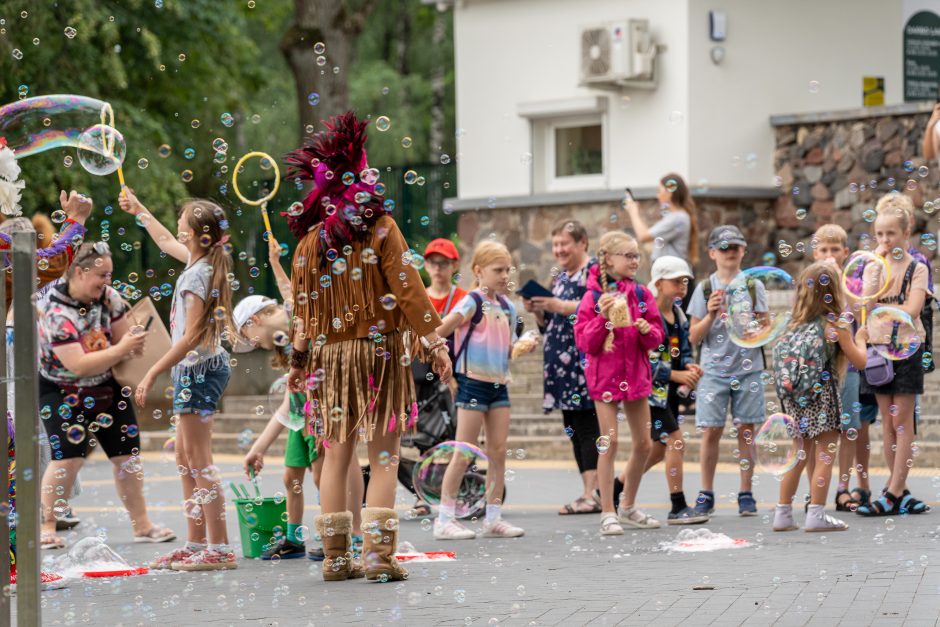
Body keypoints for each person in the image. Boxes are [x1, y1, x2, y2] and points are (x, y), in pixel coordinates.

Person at [284, 111, 451, 583]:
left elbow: (304, 312)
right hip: (381, 352)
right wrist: (433, 341)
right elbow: (409, 289)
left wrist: (298, 361)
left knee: (335, 454)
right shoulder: (381, 228)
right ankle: (378, 555)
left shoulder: (309, 245)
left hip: (330, 358)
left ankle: (337, 559)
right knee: (384, 456)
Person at [120, 189, 238, 570]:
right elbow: (164, 239)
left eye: (181, 220)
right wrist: (140, 209)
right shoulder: (200, 263)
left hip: (198, 370)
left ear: (195, 233)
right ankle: (195, 542)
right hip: (195, 370)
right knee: (185, 459)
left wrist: (153, 369)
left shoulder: (196, 276)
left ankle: (218, 549)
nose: (176, 226)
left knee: (199, 461)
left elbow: (189, 337)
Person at [36, 241, 175, 550]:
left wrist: (135, 341)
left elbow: (126, 335)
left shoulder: (109, 298)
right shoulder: (56, 311)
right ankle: (47, 527)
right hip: (60, 388)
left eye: (110, 275)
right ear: (81, 272)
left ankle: (143, 525)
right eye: (102, 275)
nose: (107, 282)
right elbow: (78, 364)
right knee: (67, 460)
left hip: (106, 383)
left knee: (128, 458)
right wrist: (123, 348)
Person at [238, 237, 365, 561]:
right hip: (304, 417)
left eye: (247, 336)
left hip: (326, 407)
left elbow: (290, 297)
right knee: (291, 475)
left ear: (256, 320)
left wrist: (276, 263)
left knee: (328, 474)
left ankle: (346, 534)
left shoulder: (300, 319)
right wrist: (258, 448)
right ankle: (295, 538)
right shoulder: (287, 350)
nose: (251, 344)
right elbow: (287, 407)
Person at [434, 241, 526, 541]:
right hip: (472, 382)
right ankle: (444, 519)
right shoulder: (472, 301)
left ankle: (493, 518)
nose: (503, 275)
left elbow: (506, 347)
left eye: (507, 270)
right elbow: (445, 327)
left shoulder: (509, 307)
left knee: (498, 452)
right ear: (478, 271)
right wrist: (435, 349)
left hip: (499, 385)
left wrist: (523, 347)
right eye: (497, 270)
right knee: (462, 452)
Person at [574, 232, 664, 535]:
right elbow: (586, 342)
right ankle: (608, 511)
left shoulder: (641, 294)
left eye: (636, 255)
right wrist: (602, 315)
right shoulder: (591, 297)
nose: (635, 260)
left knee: (644, 443)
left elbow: (657, 336)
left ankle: (628, 506)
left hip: (635, 376)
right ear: (608, 259)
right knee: (608, 442)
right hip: (605, 379)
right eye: (628, 255)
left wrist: (644, 329)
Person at [772, 261, 868, 532]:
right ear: (835, 292)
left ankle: (782, 514)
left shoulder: (792, 325)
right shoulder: (834, 325)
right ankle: (816, 514)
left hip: (794, 400)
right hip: (823, 396)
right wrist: (860, 337)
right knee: (826, 455)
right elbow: (859, 362)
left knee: (798, 454)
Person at [856, 194, 931, 516]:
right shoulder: (875, 266)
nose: (885, 240)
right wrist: (875, 267)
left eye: (891, 234)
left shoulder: (917, 268)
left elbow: (913, 309)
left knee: (902, 421)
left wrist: (881, 309)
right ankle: (897, 489)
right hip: (878, 351)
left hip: (907, 350)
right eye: (880, 234)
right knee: (887, 422)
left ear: (905, 234)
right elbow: (864, 305)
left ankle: (893, 491)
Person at [687, 225, 766, 517]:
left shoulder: (753, 286)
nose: (730, 252)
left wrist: (752, 326)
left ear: (743, 251)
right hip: (713, 370)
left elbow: (765, 326)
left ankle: (746, 493)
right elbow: (694, 336)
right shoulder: (705, 288)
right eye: (723, 248)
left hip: (748, 369)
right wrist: (709, 313)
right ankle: (706, 492)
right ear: (712, 253)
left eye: (735, 247)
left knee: (747, 431)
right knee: (711, 431)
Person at [522, 219, 600, 515]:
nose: (559, 250)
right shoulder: (560, 278)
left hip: (583, 362)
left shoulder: (593, 272)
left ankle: (592, 493)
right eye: (555, 245)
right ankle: (589, 491)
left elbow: (597, 307)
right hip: (560, 365)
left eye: (564, 243)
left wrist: (556, 305)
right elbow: (550, 325)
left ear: (582, 243)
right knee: (573, 427)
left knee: (587, 426)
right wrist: (541, 311)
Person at [640, 255, 706, 524]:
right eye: (676, 280)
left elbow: (684, 351)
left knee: (656, 449)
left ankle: (617, 488)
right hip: (650, 395)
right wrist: (675, 374)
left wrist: (690, 367)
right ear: (658, 283)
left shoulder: (678, 314)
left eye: (685, 281)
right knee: (677, 441)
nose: (683, 285)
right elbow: (644, 360)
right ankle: (677, 506)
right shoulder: (646, 316)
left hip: (668, 394)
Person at [805, 225, 863, 513]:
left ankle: (842, 487)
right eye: (823, 250)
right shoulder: (809, 284)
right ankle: (813, 492)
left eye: (834, 250)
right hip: (818, 367)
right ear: (815, 253)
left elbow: (857, 313)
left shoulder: (851, 285)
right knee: (816, 430)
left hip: (847, 366)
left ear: (845, 253)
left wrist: (840, 283)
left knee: (849, 428)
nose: (829, 255)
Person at [412, 237, 466, 515]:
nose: (437, 268)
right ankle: (424, 492)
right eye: (432, 262)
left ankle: (455, 489)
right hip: (423, 375)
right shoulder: (419, 296)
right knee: (426, 434)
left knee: (455, 432)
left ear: (454, 265)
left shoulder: (462, 298)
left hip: (457, 371)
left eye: (443, 263)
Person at [622, 173, 700, 267]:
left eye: (659, 191)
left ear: (670, 192)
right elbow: (648, 233)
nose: (657, 196)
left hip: (671, 272)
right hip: (669, 270)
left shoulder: (678, 218)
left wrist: (633, 212)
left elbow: (643, 236)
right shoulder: (676, 216)